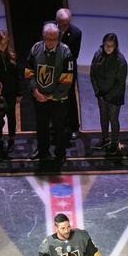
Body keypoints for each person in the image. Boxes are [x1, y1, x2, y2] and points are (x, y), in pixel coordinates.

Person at [25, 22, 75, 163]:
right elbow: (29, 71)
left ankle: (60, 153)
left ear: (58, 38)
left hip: (58, 100)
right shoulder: (36, 48)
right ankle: (42, 151)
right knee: (41, 127)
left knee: (59, 128)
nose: (50, 42)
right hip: (39, 98)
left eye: (54, 39)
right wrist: (35, 91)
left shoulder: (66, 52)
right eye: (48, 38)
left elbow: (68, 78)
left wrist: (52, 95)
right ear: (43, 37)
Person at [90, 33, 127, 155]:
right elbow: (92, 74)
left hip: (114, 96)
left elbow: (120, 83)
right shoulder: (97, 55)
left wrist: (108, 96)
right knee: (103, 117)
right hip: (101, 95)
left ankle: (114, 142)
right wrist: (97, 91)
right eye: (106, 45)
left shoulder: (121, 61)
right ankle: (105, 138)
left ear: (116, 46)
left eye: (111, 45)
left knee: (113, 119)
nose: (108, 48)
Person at [56, 8, 83, 140]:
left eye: (67, 23)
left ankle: (74, 127)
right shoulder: (49, 28)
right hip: (53, 70)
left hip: (68, 71)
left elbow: (74, 55)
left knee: (70, 98)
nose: (64, 27)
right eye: (62, 24)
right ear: (57, 21)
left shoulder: (76, 33)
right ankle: (57, 124)